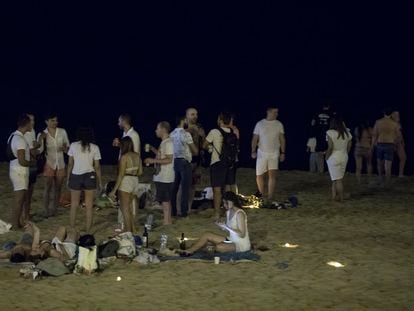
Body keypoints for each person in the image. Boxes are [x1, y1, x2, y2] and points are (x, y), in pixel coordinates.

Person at [182, 191, 250, 255]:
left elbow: (242, 234)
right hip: (231, 239)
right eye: (223, 203)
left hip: (240, 244)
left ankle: (200, 248)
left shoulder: (239, 214)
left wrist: (227, 227)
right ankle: (190, 250)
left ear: (233, 201)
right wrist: (223, 227)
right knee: (207, 234)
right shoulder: (228, 212)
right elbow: (230, 230)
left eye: (226, 202)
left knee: (219, 247)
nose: (225, 205)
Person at [67, 126, 102, 233]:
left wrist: (68, 178)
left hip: (76, 175)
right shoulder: (95, 147)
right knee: (89, 205)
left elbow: (70, 164)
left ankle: (72, 228)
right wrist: (99, 181)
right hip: (89, 176)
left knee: (74, 204)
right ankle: (88, 229)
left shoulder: (73, 145)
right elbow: (97, 167)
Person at [204, 112, 239, 219]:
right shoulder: (233, 132)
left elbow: (204, 145)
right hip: (230, 163)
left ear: (220, 120)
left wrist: (210, 148)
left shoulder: (215, 131)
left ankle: (217, 213)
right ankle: (228, 211)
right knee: (228, 188)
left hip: (217, 163)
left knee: (217, 189)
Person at [251, 107, 286, 203]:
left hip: (274, 153)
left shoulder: (279, 124)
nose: (276, 114)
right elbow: (255, 138)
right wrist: (253, 150)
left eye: (277, 112)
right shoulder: (260, 124)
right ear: (268, 112)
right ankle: (261, 194)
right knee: (259, 175)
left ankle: (270, 196)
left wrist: (283, 152)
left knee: (272, 175)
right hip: (262, 153)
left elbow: (282, 139)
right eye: (275, 112)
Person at [38, 113, 70, 217]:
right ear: (46, 121)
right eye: (52, 120)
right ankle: (45, 209)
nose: (55, 123)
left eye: (56, 120)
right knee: (47, 187)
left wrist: (65, 149)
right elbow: (40, 150)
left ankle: (54, 208)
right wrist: (39, 140)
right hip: (49, 163)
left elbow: (68, 147)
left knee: (58, 188)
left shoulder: (62, 131)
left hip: (60, 163)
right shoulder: (42, 134)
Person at [109, 137, 141, 233]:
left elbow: (121, 175)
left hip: (126, 181)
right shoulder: (137, 156)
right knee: (130, 208)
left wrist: (114, 190)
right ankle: (132, 228)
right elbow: (140, 172)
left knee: (125, 209)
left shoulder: (124, 157)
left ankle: (128, 231)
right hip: (135, 181)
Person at [144, 122, 174, 225]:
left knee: (165, 201)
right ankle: (168, 220)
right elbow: (162, 155)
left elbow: (169, 159)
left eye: (157, 128)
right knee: (166, 200)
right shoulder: (164, 142)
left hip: (165, 176)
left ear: (163, 129)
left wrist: (153, 161)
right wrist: (153, 150)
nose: (156, 131)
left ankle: (167, 222)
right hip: (162, 175)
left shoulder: (169, 143)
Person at [170, 116, 198, 218]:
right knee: (185, 188)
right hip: (185, 162)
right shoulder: (186, 134)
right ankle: (183, 212)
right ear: (183, 121)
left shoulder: (171, 134)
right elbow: (195, 151)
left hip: (174, 161)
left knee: (174, 188)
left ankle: (173, 211)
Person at [7, 114, 32, 229]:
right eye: (30, 123)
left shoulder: (12, 136)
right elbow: (22, 160)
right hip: (19, 171)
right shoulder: (20, 140)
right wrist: (31, 163)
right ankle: (14, 224)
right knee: (19, 199)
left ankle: (16, 222)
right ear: (26, 124)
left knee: (19, 198)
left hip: (14, 168)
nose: (32, 124)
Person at [372, 108, 401, 186]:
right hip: (390, 144)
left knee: (379, 164)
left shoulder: (378, 122)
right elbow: (398, 136)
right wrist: (395, 144)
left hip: (380, 144)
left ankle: (381, 180)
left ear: (383, 112)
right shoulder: (395, 124)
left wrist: (373, 145)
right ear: (391, 113)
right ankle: (387, 182)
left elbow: (374, 134)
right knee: (388, 166)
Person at [326, 117, 352, 202]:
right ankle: (334, 197)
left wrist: (327, 156)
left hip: (334, 156)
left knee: (336, 179)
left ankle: (341, 198)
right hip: (343, 156)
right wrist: (346, 153)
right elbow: (349, 145)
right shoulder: (347, 132)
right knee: (337, 178)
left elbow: (330, 147)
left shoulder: (330, 133)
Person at [185, 108, 206, 211]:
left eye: (196, 114)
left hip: (197, 160)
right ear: (187, 116)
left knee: (193, 185)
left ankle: (189, 207)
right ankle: (181, 207)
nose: (195, 116)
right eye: (192, 114)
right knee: (184, 185)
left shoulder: (199, 127)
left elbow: (204, 143)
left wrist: (202, 135)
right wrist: (191, 129)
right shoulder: (184, 128)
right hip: (186, 159)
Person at [23, 114, 42, 221]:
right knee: (25, 190)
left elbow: (35, 145)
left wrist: (39, 141)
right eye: (30, 120)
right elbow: (31, 148)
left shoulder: (32, 131)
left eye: (33, 120)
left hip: (33, 163)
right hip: (28, 163)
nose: (32, 122)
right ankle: (24, 214)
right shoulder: (25, 133)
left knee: (30, 190)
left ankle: (27, 213)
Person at [311, 103, 336, 172]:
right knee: (329, 151)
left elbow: (312, 123)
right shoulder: (331, 113)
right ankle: (329, 169)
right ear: (328, 106)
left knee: (320, 152)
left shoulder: (317, 113)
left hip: (319, 135)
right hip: (328, 134)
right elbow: (334, 124)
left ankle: (321, 169)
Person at [391, 110, 407, 177]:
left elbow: (400, 133)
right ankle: (382, 174)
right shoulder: (390, 123)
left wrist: (402, 141)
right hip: (392, 143)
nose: (397, 116)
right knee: (387, 160)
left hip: (399, 143)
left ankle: (400, 174)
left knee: (403, 158)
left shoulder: (398, 123)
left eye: (398, 114)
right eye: (395, 114)